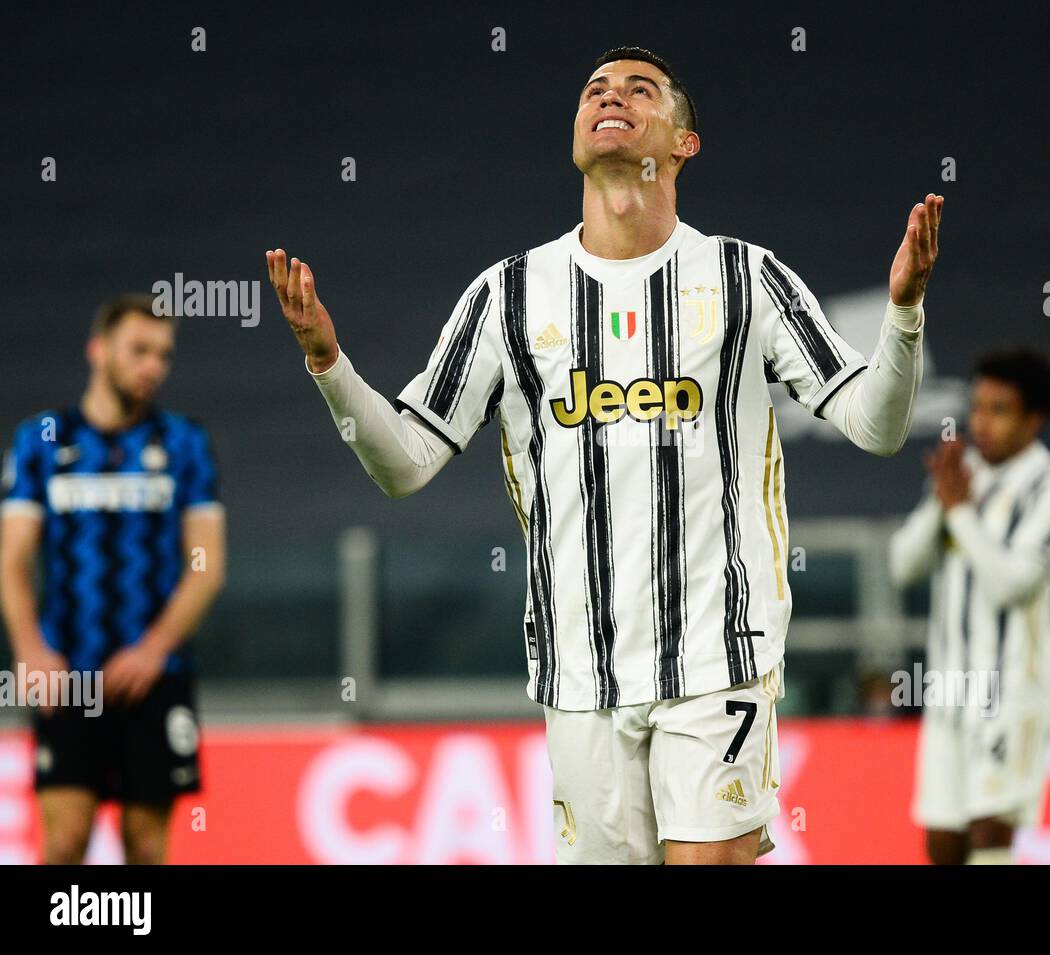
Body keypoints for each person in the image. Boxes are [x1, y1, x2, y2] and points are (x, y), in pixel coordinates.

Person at [268, 46, 942, 864]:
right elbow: (406, 461)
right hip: (578, 673)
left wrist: (901, 314)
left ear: (684, 142)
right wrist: (328, 363)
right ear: (576, 134)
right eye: (594, 89)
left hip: (717, 653)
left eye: (639, 89)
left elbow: (875, 425)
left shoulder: (743, 276)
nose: (610, 96)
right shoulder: (509, 295)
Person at [0, 294, 226, 864]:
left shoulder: (183, 443)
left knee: (147, 844)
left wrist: (154, 649)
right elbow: (11, 558)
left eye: (164, 355)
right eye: (139, 350)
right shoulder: (42, 441)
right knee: (65, 839)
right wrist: (29, 650)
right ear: (98, 352)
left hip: (156, 677)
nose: (153, 366)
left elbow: (206, 565)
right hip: (68, 674)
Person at [890, 348, 1050, 864]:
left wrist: (959, 513)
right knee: (943, 840)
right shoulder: (962, 473)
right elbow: (902, 565)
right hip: (951, 683)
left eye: (1000, 410)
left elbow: (1012, 584)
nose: (982, 422)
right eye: (978, 407)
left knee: (989, 826)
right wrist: (941, 503)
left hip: (1014, 683)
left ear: (1033, 419)